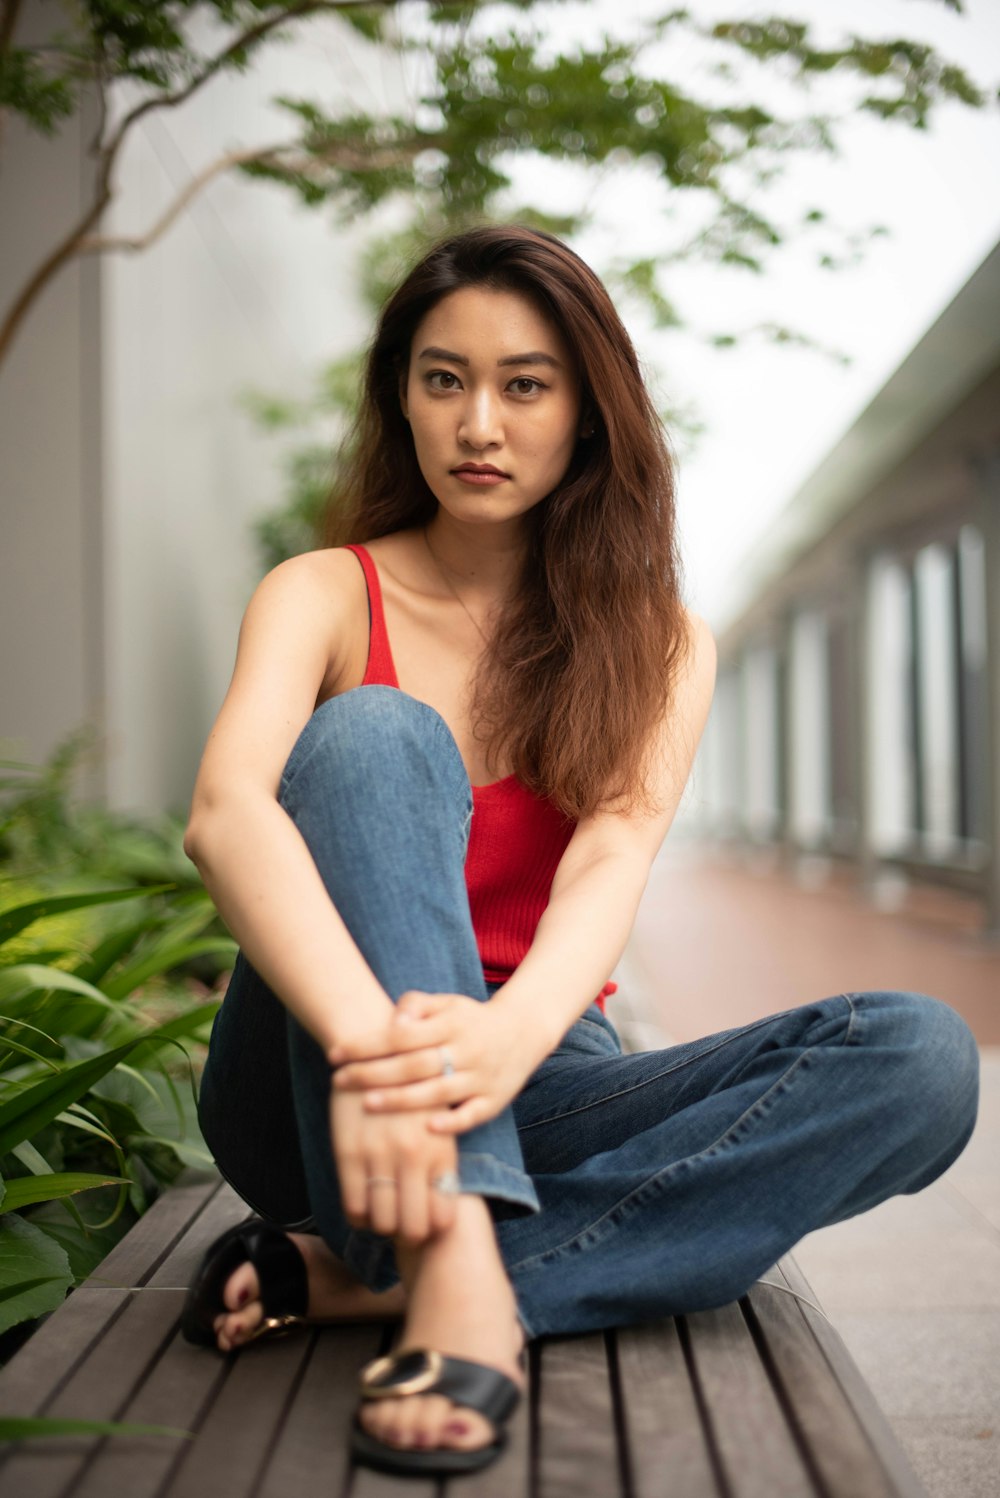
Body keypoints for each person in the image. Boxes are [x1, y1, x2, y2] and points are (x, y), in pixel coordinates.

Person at [180, 224, 979, 1479]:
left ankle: (381, 1283)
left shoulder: (658, 643)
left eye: (524, 384)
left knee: (920, 1061)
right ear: (402, 399)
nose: (479, 423)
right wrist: (377, 1049)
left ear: (589, 414)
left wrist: (500, 1042)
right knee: (376, 733)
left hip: (540, 1068)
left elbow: (610, 861)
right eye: (443, 379)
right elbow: (226, 813)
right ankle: (448, 1272)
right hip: (319, 1075)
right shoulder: (326, 592)